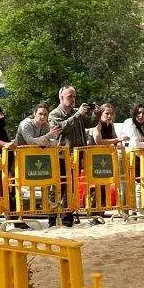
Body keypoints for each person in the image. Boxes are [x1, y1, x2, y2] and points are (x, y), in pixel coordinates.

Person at [49, 86, 100, 227]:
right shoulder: (54, 114)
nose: (73, 99)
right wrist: (77, 115)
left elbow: (90, 123)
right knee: (58, 187)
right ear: (61, 97)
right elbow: (58, 130)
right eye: (69, 96)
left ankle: (67, 219)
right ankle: (52, 219)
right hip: (61, 156)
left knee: (71, 188)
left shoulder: (76, 113)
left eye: (74, 96)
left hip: (77, 156)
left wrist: (96, 114)